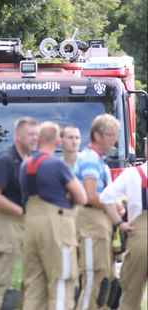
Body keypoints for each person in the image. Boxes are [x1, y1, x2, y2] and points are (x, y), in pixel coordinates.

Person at [20, 121, 87, 309]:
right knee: (61, 281)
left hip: (31, 223)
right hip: (56, 225)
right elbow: (81, 197)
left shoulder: (26, 165)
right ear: (58, 141)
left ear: (38, 139)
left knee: (33, 285)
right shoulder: (58, 165)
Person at [0, 116, 39, 309]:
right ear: (18, 136)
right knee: (1, 291)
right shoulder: (5, 159)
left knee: (23, 290)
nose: (34, 138)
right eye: (30, 135)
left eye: (36, 135)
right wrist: (20, 211)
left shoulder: (30, 160)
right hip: (5, 226)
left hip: (25, 228)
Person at [75, 113, 120, 310]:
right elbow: (91, 195)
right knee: (94, 277)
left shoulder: (98, 161)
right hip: (91, 222)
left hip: (98, 222)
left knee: (104, 278)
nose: (115, 140)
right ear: (98, 135)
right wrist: (114, 208)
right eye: (111, 134)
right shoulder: (91, 160)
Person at [99, 139, 147, 310]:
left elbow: (105, 197)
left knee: (130, 295)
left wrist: (119, 222)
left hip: (139, 235)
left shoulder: (132, 173)